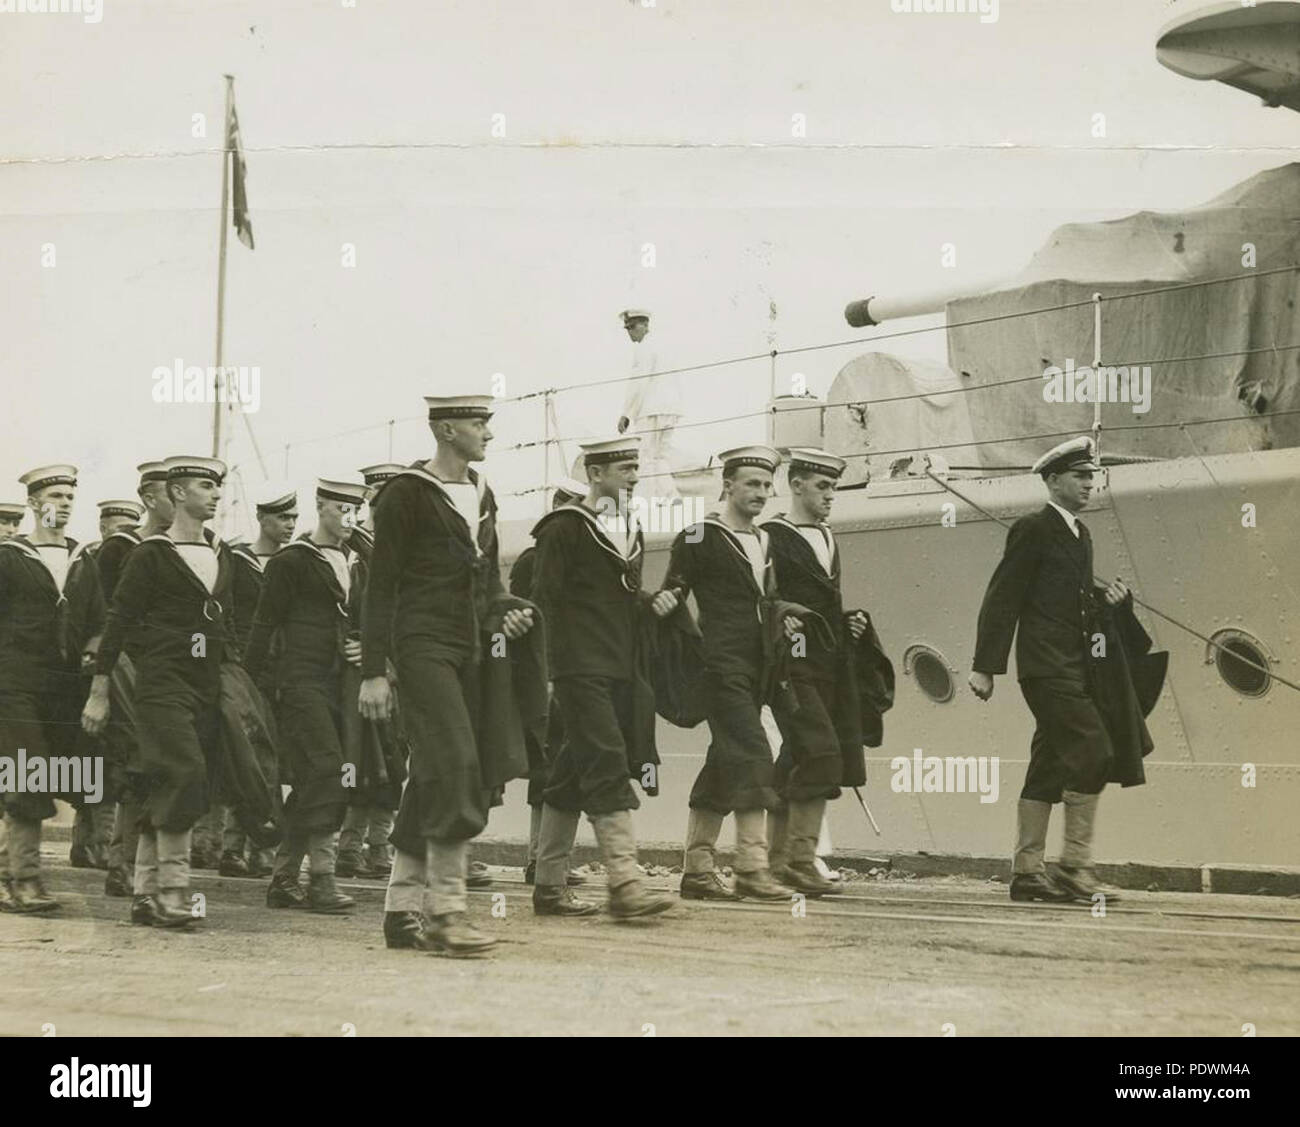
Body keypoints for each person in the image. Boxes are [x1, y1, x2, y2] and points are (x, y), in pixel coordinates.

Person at [360, 394, 537, 956]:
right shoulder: (406, 494)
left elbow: (485, 580)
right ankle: (446, 913)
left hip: (471, 649)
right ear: (444, 429)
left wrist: (504, 607)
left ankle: (399, 910)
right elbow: (381, 584)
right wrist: (373, 672)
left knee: (438, 773)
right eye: (477, 422)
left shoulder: (483, 493)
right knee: (455, 763)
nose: (487, 431)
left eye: (487, 421)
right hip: (421, 646)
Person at [968, 436, 1130, 904]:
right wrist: (985, 667)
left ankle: (1027, 874)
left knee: (1050, 763)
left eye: (1092, 477)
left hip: (1073, 667)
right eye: (1080, 476)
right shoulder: (1032, 529)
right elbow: (1004, 596)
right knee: (1094, 749)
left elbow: (1074, 604)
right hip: (1044, 667)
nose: (1089, 484)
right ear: (1054, 479)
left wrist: (1109, 603)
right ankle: (1075, 869)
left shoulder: (1081, 534)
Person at [82, 456, 238, 929]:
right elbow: (119, 621)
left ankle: (145, 894)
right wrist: (100, 689)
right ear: (177, 494)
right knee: (183, 772)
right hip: (161, 684)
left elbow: (227, 624)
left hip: (206, 684)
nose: (214, 494)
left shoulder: (220, 551)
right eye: (204, 486)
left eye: (217, 486)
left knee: (174, 780)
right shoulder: (150, 553)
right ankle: (173, 890)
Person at [528, 438, 675, 918]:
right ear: (595, 474)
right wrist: (546, 673)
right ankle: (625, 883)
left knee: (571, 772)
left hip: (618, 667)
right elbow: (543, 601)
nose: (634, 476)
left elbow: (619, 598)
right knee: (607, 760)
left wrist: (650, 601)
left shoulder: (628, 527)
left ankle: (548, 887)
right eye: (624, 468)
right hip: (577, 668)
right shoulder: (564, 528)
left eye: (635, 467)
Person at [657, 445, 801, 902]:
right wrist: (667, 604)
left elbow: (769, 597)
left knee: (724, 763)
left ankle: (697, 871)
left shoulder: (764, 540)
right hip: (720, 666)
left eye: (766, 484)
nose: (762, 492)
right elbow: (675, 591)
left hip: (758, 666)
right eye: (752, 484)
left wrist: (787, 615)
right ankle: (752, 868)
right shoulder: (700, 536)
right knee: (755, 752)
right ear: (728, 486)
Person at [243, 479, 366, 914]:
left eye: (356, 510)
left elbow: (371, 619)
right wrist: (246, 690)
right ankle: (322, 880)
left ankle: (283, 878)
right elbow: (263, 624)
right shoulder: (292, 561)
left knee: (324, 778)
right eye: (340, 508)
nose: (350, 518)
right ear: (321, 507)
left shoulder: (359, 560)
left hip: (342, 686)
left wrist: (367, 646)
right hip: (299, 683)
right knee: (330, 772)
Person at [760, 449, 871, 897]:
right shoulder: (771, 536)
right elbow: (762, 597)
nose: (830, 497)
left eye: (834, 489)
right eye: (822, 487)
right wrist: (782, 615)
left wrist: (849, 621)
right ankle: (801, 861)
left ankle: (776, 862)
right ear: (796, 484)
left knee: (796, 758)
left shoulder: (828, 537)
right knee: (822, 754)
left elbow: (827, 599)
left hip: (828, 664)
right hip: (791, 664)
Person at [0, 466, 105, 913]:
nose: (63, 503)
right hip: (14, 681)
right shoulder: (9, 555)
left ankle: (10, 872)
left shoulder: (83, 557)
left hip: (63, 687)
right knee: (28, 772)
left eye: (68, 496)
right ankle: (24, 880)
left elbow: (101, 621)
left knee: (59, 774)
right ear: (34, 502)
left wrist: (93, 649)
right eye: (55, 495)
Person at [509, 478, 588, 888]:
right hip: (545, 676)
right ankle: (539, 859)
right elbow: (527, 620)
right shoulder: (531, 561)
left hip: (569, 672)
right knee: (547, 767)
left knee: (560, 765)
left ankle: (547, 859)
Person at [99, 462, 173, 899]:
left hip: (162, 667)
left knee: (152, 763)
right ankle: (122, 866)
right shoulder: (120, 548)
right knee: (135, 761)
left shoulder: (178, 546)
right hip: (128, 663)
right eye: (170, 492)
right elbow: (111, 614)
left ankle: (134, 865)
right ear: (149, 498)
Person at [219, 483, 298, 879]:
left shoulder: (296, 560)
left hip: (285, 673)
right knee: (248, 758)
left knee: (277, 762)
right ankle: (235, 846)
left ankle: (263, 843)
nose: (290, 525)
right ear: (262, 520)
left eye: (295, 519)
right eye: (283, 518)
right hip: (250, 672)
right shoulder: (237, 561)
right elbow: (226, 612)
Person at [336, 463, 405, 881]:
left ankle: (380, 845)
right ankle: (350, 846)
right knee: (364, 761)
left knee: (395, 761)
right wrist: (361, 650)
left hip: (404, 671)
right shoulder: (358, 554)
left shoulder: (405, 550)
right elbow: (346, 611)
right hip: (370, 675)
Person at [68, 500, 143, 870]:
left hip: (121, 664)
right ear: (101, 526)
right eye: (114, 525)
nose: (120, 532)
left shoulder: (135, 554)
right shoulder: (89, 560)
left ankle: (97, 842)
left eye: (128, 525)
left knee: (113, 757)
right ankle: (88, 841)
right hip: (92, 667)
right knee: (91, 756)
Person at [615, 309, 683, 500]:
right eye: (627, 328)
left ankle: (646, 501)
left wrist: (626, 414)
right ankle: (670, 496)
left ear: (645, 325)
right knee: (660, 456)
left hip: (650, 409)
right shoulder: (664, 345)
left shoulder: (644, 347)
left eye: (633, 327)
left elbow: (639, 382)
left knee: (645, 456)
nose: (630, 332)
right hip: (670, 409)